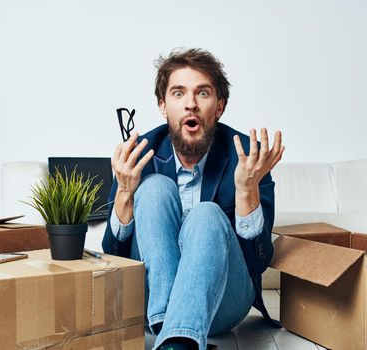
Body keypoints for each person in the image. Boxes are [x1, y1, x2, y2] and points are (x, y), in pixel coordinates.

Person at [102, 48, 285, 350]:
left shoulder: (248, 159)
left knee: (206, 214)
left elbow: (259, 261)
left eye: (202, 93)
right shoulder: (140, 155)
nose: (190, 104)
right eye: (178, 94)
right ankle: (175, 333)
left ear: (219, 107)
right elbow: (113, 254)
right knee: (153, 188)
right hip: (151, 303)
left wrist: (246, 191)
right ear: (163, 106)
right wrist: (124, 193)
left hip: (224, 302)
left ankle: (175, 333)